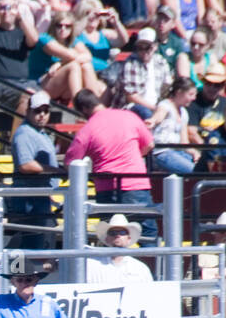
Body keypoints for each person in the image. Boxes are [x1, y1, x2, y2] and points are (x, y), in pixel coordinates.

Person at [65, 89, 157, 243]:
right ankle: (152, 267)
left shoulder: (87, 129)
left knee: (111, 237)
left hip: (107, 188)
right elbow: (149, 144)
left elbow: (70, 163)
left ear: (83, 110)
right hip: (136, 184)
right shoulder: (129, 116)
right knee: (147, 234)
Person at [9, 90, 60, 249]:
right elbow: (25, 165)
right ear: (28, 111)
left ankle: (25, 272)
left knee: (36, 245)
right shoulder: (25, 133)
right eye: (38, 111)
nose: (42, 115)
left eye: (46, 111)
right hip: (30, 200)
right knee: (31, 246)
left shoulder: (38, 133)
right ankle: (22, 273)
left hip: (38, 197)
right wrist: (57, 171)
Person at [147, 77, 200, 173]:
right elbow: (159, 116)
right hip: (163, 152)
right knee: (193, 171)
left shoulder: (184, 112)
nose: (194, 98)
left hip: (177, 152)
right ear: (179, 92)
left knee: (201, 168)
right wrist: (153, 121)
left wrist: (193, 152)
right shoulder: (165, 105)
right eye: (191, 94)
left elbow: (184, 142)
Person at [120, 27, 173, 118]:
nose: (144, 51)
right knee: (146, 113)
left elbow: (167, 86)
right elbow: (131, 96)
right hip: (132, 107)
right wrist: (154, 108)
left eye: (147, 47)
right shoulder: (131, 63)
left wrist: (162, 107)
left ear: (155, 46)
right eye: (140, 48)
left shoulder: (161, 62)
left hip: (155, 104)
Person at [96, 213, 153, 280]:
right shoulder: (92, 266)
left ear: (129, 238)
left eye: (122, 232)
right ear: (107, 239)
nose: (117, 235)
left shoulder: (140, 268)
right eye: (112, 233)